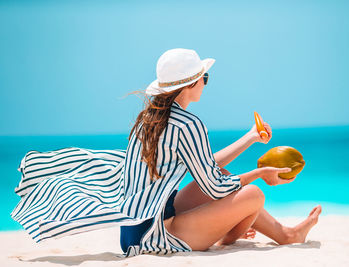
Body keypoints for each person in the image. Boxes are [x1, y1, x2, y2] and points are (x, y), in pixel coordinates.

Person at [11, 48, 322, 257]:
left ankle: (276, 233)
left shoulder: (150, 117)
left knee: (229, 180)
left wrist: (251, 138)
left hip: (133, 231)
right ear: (189, 85)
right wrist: (260, 174)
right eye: (204, 78)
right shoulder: (188, 123)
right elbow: (213, 186)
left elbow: (205, 167)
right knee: (252, 194)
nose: (205, 82)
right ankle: (250, 234)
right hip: (156, 237)